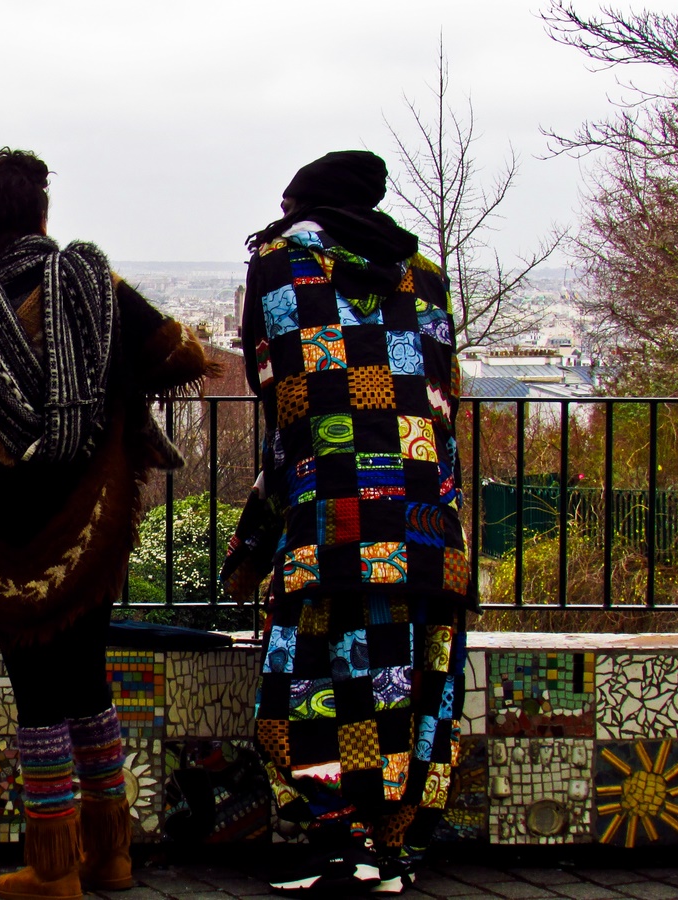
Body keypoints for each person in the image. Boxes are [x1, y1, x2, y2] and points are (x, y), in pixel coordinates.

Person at [0, 148, 215, 900]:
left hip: (9, 539)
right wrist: (106, 385)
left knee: (38, 696)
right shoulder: (94, 286)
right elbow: (176, 352)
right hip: (93, 527)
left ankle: (53, 868)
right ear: (43, 216)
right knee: (89, 681)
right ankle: (112, 855)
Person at [221, 150, 471, 895]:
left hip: (331, 526)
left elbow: (287, 416)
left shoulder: (278, 264)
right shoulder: (424, 273)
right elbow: (439, 410)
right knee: (408, 702)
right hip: (427, 533)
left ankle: (339, 844)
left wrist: (250, 548)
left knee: (308, 700)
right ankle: (386, 852)